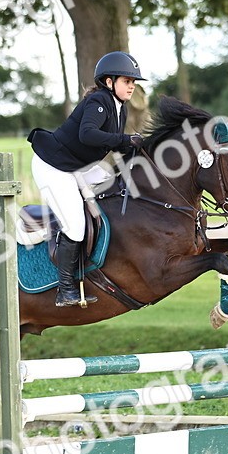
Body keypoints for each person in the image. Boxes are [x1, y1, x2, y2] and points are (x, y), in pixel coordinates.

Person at [27, 51, 146, 307]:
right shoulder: (98, 101)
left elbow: (116, 147)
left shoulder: (119, 109)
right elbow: (88, 135)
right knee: (75, 225)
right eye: (127, 81)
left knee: (108, 174)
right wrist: (126, 140)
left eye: (134, 82)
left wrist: (143, 148)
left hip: (75, 167)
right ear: (109, 82)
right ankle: (65, 289)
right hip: (53, 167)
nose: (132, 86)